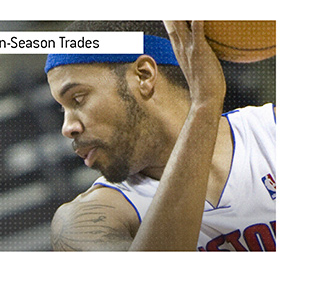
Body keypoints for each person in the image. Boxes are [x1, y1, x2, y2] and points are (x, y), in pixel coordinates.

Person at [45, 21, 276, 251]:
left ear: (144, 75)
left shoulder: (272, 130)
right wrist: (204, 105)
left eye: (78, 99)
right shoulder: (91, 217)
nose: (67, 128)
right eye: (62, 109)